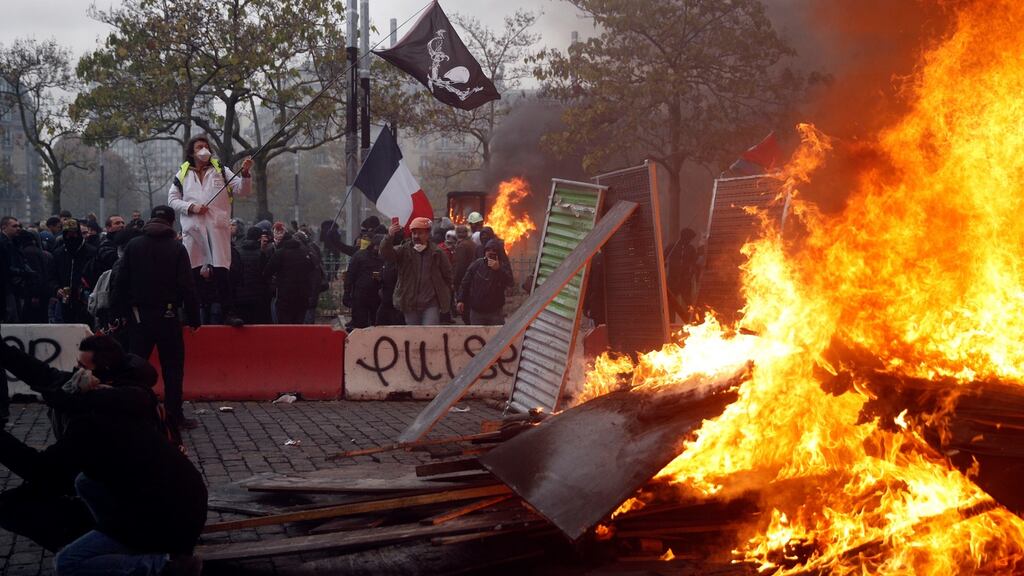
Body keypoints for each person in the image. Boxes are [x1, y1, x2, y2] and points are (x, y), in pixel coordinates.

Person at [0, 339, 206, 575]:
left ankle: (166, 566)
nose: (77, 374)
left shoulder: (98, 416)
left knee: (68, 562)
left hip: (166, 517)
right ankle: (113, 536)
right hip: (170, 500)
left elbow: (45, 472)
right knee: (84, 482)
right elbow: (43, 375)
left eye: (83, 369)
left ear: (102, 376)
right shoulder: (105, 395)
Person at [111, 205, 201, 432]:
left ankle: (130, 413)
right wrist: (194, 317)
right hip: (168, 316)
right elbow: (187, 286)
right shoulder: (176, 248)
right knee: (172, 368)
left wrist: (117, 313)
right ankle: (174, 415)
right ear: (171, 223)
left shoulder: (133, 246)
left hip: (138, 316)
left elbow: (120, 282)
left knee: (134, 366)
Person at [167, 133, 251, 327]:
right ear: (191, 152)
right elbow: (172, 200)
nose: (203, 149)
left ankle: (228, 313)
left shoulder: (221, 170)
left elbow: (242, 190)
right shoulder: (182, 174)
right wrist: (192, 207)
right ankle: (189, 316)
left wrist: (245, 174)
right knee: (192, 274)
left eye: (206, 146)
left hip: (217, 228)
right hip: (193, 230)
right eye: (199, 147)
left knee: (222, 272)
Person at [380, 217, 453, 326]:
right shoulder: (403, 251)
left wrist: (444, 294)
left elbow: (448, 275)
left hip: (431, 304)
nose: (416, 236)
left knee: (429, 333)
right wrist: (389, 236)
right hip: (410, 303)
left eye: (420, 233)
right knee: (414, 336)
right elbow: (385, 253)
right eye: (414, 233)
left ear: (427, 234)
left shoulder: (437, 253)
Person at [50, 219, 97, 326]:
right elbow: (51, 276)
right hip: (64, 302)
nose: (71, 237)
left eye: (74, 233)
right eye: (68, 234)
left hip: (86, 301)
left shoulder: (91, 252)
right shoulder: (58, 253)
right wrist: (56, 288)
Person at [457, 239, 514, 326]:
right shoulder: (477, 264)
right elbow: (465, 283)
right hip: (476, 311)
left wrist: (498, 270)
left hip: (495, 312)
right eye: (488, 250)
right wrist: (460, 300)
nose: (490, 252)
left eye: (494, 250)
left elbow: (510, 282)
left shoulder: (502, 265)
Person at [263, 232, 314, 324]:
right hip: (303, 295)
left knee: (285, 323)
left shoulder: (280, 253)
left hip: (285, 295)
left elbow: (267, 272)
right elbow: (312, 268)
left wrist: (273, 284)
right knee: (299, 322)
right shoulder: (304, 252)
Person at [343, 234, 384, 329]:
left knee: (376, 324)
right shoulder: (360, 256)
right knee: (360, 324)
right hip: (360, 295)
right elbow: (350, 275)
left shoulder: (384, 257)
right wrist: (347, 292)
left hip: (377, 296)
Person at [234, 227, 271, 324]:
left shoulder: (237, 252)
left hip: (239, 297)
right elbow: (266, 275)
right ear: (259, 239)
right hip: (258, 298)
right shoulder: (261, 255)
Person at [14, 230, 52, 324]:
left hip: (34, 294)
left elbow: (35, 274)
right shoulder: (36, 251)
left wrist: (35, 295)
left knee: (32, 319)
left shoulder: (28, 252)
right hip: (41, 293)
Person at [664, 228, 699, 322]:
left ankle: (691, 321)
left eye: (690, 239)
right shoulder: (672, 247)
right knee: (670, 303)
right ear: (683, 237)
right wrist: (664, 263)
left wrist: (691, 274)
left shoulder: (691, 249)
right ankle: (670, 322)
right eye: (688, 238)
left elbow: (694, 263)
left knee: (688, 302)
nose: (689, 240)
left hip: (685, 280)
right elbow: (662, 258)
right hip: (672, 279)